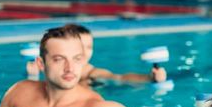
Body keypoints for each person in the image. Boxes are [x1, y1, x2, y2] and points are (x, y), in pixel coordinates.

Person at [0, 25, 199, 107]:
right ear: (41, 63)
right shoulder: (19, 92)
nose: (69, 68)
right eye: (58, 59)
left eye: (76, 59)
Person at [26, 24, 166, 85]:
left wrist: (149, 78)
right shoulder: (51, 70)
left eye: (89, 47)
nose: (85, 52)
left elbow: (120, 78)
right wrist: (33, 76)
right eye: (81, 47)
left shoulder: (93, 73)